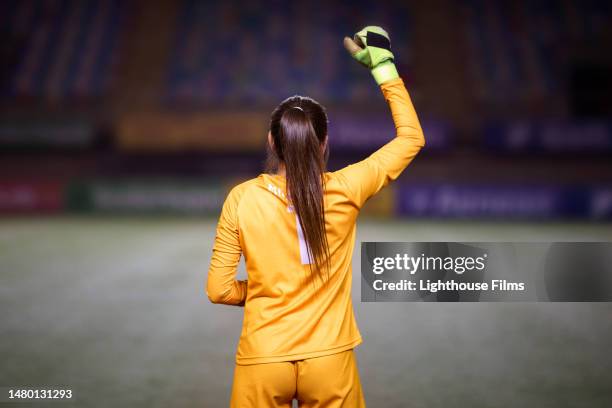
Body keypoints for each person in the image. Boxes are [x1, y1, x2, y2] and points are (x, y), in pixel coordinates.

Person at [207, 26, 425, 407]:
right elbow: (411, 139)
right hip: (330, 359)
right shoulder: (347, 187)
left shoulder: (241, 199)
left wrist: (262, 292)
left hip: (263, 357)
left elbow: (219, 289)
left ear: (272, 142)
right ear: (324, 143)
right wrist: (384, 67)